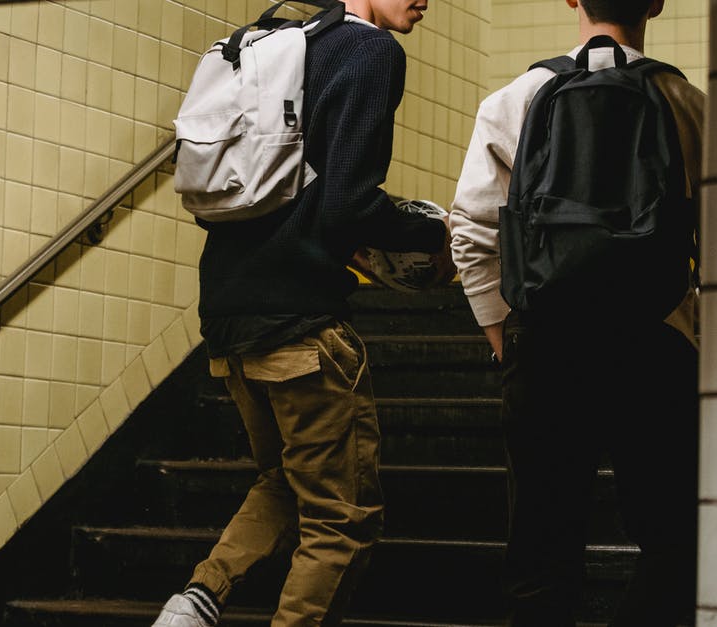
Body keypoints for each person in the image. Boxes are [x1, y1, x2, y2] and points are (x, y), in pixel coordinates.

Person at [154, 0, 452, 625]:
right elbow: (347, 205)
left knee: (282, 483)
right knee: (341, 523)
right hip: (301, 325)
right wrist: (435, 231)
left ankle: (197, 600)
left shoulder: (286, 41)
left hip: (230, 315)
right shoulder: (371, 51)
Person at [448, 1, 703, 625]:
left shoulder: (515, 100)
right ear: (659, 2)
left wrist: (504, 337)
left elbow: (472, 232)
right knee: (676, 543)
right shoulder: (690, 103)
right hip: (657, 343)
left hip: (546, 346)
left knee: (541, 547)